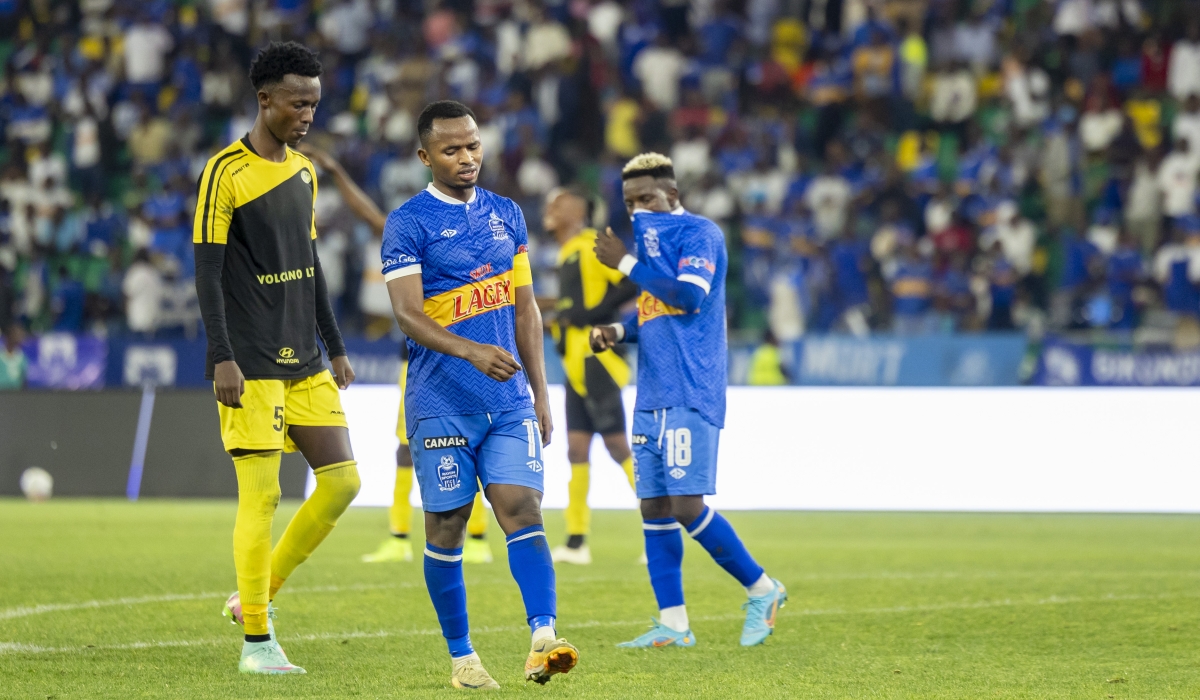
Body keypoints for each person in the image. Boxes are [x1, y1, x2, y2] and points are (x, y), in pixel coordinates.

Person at [381, 100, 578, 689]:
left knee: (523, 509)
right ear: (425, 157)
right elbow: (408, 316)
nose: (466, 158)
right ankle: (463, 659)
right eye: (451, 150)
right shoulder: (408, 223)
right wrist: (470, 351)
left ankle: (543, 638)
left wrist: (542, 391)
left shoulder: (507, 214)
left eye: (472, 146)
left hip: (509, 399)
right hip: (440, 401)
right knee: (447, 523)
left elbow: (526, 309)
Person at [192, 42, 361, 675]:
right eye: (297, 102)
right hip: (251, 361)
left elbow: (310, 264)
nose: (307, 113)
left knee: (343, 482)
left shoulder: (305, 171)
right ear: (265, 100)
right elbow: (206, 272)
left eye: (314, 103)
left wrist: (337, 345)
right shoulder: (225, 172)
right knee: (260, 499)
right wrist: (221, 356)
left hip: (305, 359)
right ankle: (258, 642)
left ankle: (255, 597)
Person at [591, 152, 786, 649]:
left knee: (685, 504)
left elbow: (689, 297)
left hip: (690, 391)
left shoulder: (700, 234)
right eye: (630, 203)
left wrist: (626, 262)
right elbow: (657, 311)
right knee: (652, 506)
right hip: (652, 392)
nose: (638, 210)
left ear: (672, 195)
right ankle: (674, 623)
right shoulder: (648, 246)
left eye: (647, 198)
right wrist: (618, 329)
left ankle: (763, 589)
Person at [298, 145, 494, 565]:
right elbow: (370, 216)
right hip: (420, 357)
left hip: (459, 353)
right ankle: (402, 536)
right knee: (409, 447)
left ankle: (472, 538)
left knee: (470, 442)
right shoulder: (410, 233)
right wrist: (334, 168)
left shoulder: (471, 235)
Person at [542, 186, 639, 565]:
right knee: (576, 450)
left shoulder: (588, 245)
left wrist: (593, 313)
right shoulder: (566, 252)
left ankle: (660, 528)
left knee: (618, 447)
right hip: (574, 365)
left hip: (598, 359)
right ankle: (577, 541)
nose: (550, 207)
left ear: (576, 211)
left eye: (558, 202)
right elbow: (572, 307)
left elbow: (630, 282)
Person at [0, 324, 27, 390]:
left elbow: (24, 381)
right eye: (16, 334)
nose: (19, 337)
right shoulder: (1, 355)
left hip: (15, 395)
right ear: (8, 336)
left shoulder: (22, 358)